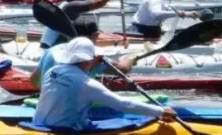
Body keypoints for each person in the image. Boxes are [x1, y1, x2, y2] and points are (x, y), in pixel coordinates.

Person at [32, 37, 176, 130]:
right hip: (66, 130)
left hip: (38, 125)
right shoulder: (86, 84)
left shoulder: (52, 71)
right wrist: (160, 111)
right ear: (90, 59)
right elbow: (121, 104)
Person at [28, 14, 131, 88]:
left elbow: (33, 81)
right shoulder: (91, 55)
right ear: (95, 36)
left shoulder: (50, 51)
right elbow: (123, 70)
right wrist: (129, 58)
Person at [39, 0, 116, 48]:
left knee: (84, 26)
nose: (86, 1)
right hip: (52, 49)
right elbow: (99, 2)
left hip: (51, 45)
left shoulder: (64, 5)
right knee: (90, 26)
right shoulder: (69, 8)